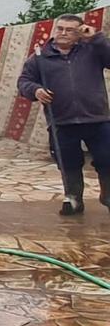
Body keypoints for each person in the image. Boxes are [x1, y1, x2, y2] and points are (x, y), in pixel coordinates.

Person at [18, 14, 110, 215]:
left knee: (107, 158)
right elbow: (24, 81)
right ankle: (74, 198)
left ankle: (108, 195)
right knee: (68, 161)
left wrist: (96, 38)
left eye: (70, 30)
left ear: (79, 33)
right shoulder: (40, 56)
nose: (63, 33)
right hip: (62, 120)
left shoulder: (92, 50)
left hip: (97, 117)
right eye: (60, 28)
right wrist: (35, 90)